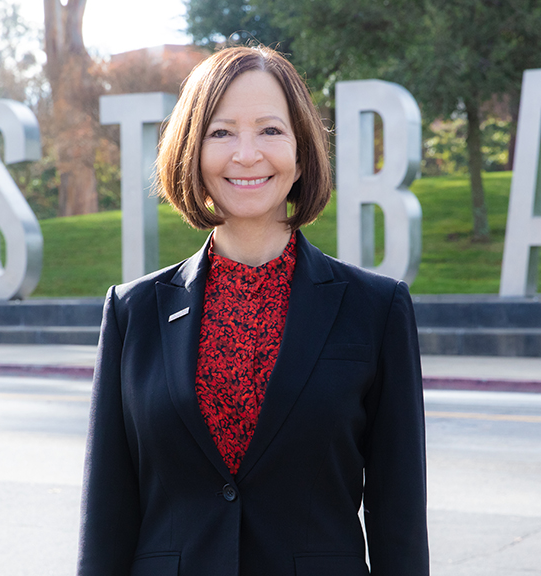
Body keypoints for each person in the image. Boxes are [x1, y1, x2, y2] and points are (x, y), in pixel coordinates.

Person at [78, 46, 428, 576]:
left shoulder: (375, 309)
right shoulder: (133, 311)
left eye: (270, 130)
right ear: (190, 152)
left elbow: (398, 515)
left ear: (302, 151)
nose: (246, 154)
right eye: (221, 133)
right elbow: (108, 512)